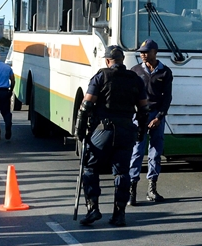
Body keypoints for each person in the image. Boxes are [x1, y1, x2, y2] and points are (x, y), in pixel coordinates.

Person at [74, 45, 148, 226]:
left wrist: (80, 131)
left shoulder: (101, 76)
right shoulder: (135, 79)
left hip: (103, 131)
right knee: (122, 172)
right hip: (126, 131)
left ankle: (93, 209)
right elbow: (144, 109)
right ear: (122, 60)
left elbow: (86, 106)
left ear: (108, 61)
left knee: (91, 169)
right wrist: (141, 131)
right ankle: (119, 214)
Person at [128, 39, 173, 204]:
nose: (143, 54)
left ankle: (152, 188)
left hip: (156, 115)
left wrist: (159, 118)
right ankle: (131, 189)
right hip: (139, 115)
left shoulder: (165, 72)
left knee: (155, 152)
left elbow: (167, 98)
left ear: (155, 52)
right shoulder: (135, 70)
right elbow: (130, 96)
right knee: (137, 151)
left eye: (146, 51)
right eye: (141, 52)